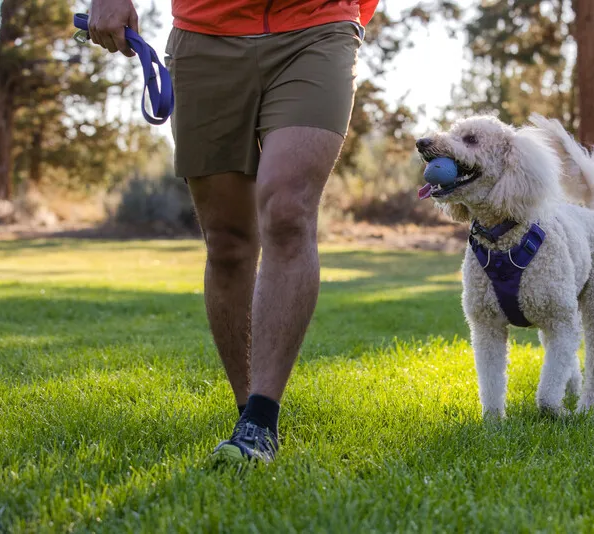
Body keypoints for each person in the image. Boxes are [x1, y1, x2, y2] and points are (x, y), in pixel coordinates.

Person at [87, 0, 379, 462]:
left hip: (316, 27)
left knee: (287, 211)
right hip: (205, 36)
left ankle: (261, 420)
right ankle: (246, 411)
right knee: (227, 242)